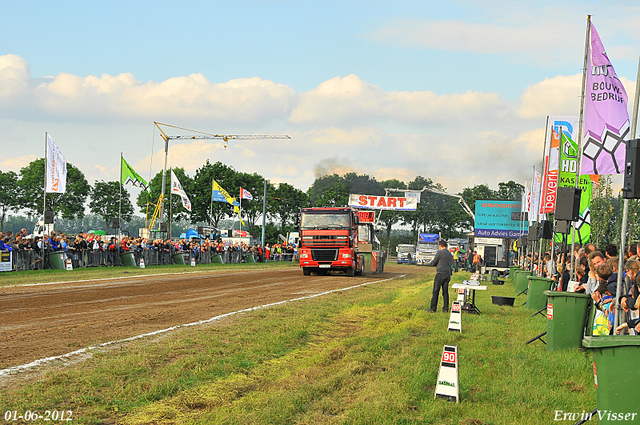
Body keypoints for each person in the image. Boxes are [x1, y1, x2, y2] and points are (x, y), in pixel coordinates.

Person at [427, 240, 453, 313]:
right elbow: (451, 263)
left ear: (440, 246)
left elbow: (434, 262)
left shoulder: (440, 253)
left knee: (436, 291)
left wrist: (433, 263)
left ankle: (433, 308)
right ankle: (445, 308)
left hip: (440, 273)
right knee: (445, 292)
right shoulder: (449, 254)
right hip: (447, 273)